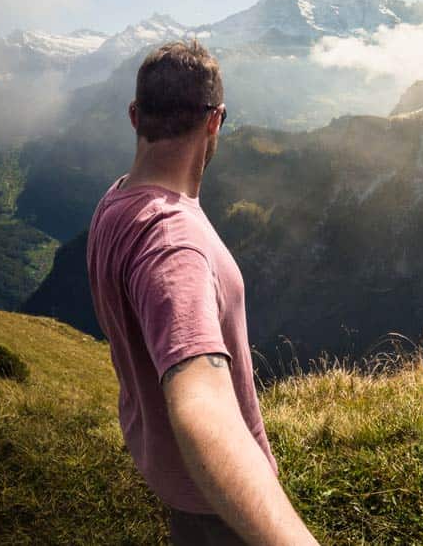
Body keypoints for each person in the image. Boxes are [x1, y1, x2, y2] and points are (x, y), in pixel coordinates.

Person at [86, 41, 318, 545]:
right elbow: (201, 406)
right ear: (215, 121)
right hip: (218, 503)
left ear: (134, 115)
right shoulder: (174, 244)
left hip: (172, 475)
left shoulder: (116, 200)